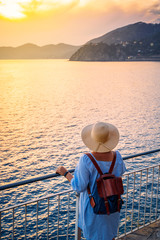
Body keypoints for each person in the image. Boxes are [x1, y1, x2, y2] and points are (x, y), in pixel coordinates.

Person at [56, 122, 126, 240]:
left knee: (95, 236)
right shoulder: (117, 156)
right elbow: (121, 172)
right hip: (112, 204)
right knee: (110, 235)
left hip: (94, 208)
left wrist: (66, 173)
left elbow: (79, 186)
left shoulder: (86, 159)